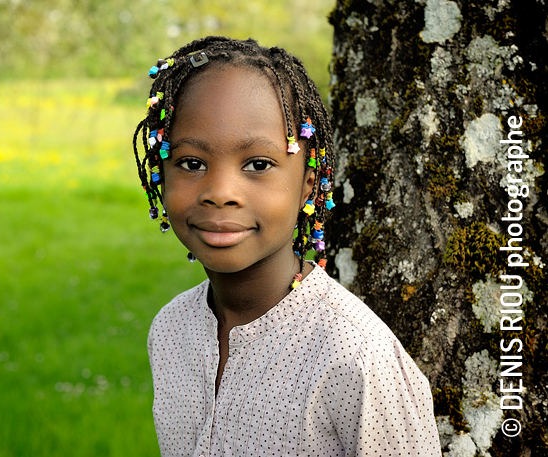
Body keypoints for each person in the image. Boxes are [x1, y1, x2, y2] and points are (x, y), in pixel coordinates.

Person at [132, 36, 441, 457]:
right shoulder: (170, 331)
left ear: (307, 186)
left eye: (258, 165)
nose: (220, 192)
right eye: (192, 163)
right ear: (160, 176)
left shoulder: (356, 358)